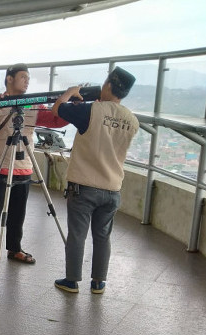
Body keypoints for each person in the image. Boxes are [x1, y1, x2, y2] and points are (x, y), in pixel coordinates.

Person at [0, 63, 68, 268]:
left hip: (23, 166)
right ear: (9, 79)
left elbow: (56, 121)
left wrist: (67, 103)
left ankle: (14, 249)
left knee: (18, 213)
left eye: (28, 78)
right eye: (23, 77)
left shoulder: (34, 105)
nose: (27, 81)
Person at [52, 67, 139, 294]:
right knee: (103, 236)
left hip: (84, 186)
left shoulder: (92, 111)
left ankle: (72, 281)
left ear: (108, 85)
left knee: (78, 234)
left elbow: (58, 108)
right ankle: (98, 282)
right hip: (112, 188)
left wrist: (71, 91)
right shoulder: (132, 120)